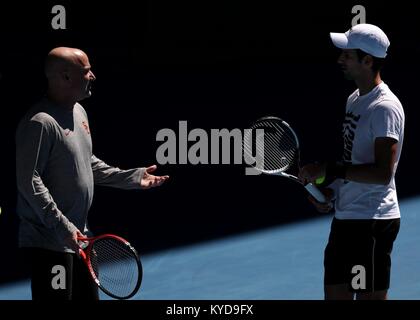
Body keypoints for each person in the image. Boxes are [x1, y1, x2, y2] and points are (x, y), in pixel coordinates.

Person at [16, 47, 169, 300]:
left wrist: (131, 177)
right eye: (86, 71)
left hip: (80, 237)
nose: (93, 76)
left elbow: (87, 163)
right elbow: (29, 181)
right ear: (65, 77)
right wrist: (63, 227)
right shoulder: (40, 123)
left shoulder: (79, 112)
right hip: (50, 244)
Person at [298, 24, 404, 300]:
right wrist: (332, 191)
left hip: (371, 223)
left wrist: (328, 169)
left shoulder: (384, 108)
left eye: (347, 55)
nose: (340, 60)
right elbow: (355, 161)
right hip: (346, 217)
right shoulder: (355, 99)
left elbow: (382, 174)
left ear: (367, 61)